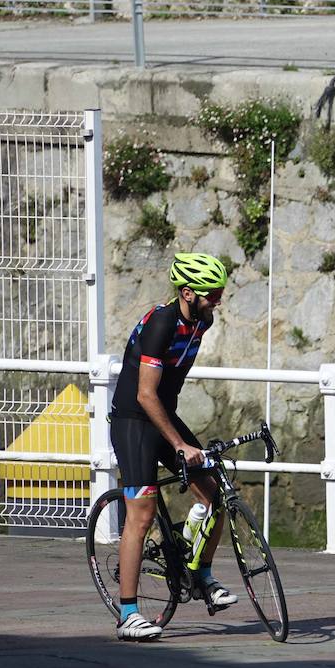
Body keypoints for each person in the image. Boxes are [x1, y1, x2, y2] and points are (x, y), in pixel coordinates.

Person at [108, 251, 238, 641]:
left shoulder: (202, 320)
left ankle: (201, 576)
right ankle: (128, 615)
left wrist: (180, 442)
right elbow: (146, 395)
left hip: (163, 416)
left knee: (216, 494)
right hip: (134, 420)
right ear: (187, 292)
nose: (217, 301)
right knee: (142, 514)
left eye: (220, 293)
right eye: (211, 294)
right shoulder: (161, 324)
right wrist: (179, 444)